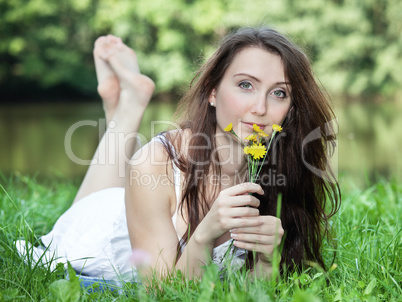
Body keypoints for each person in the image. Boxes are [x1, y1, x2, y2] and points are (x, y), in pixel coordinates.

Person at [16, 27, 340, 284]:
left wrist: (270, 259)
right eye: (245, 85)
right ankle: (127, 105)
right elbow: (162, 291)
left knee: (118, 188)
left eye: (279, 93)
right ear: (213, 92)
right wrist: (205, 234)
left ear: (290, 108)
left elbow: (255, 288)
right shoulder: (156, 162)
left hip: (142, 205)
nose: (260, 108)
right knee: (96, 203)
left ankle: (124, 105)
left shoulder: (281, 166)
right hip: (103, 233)